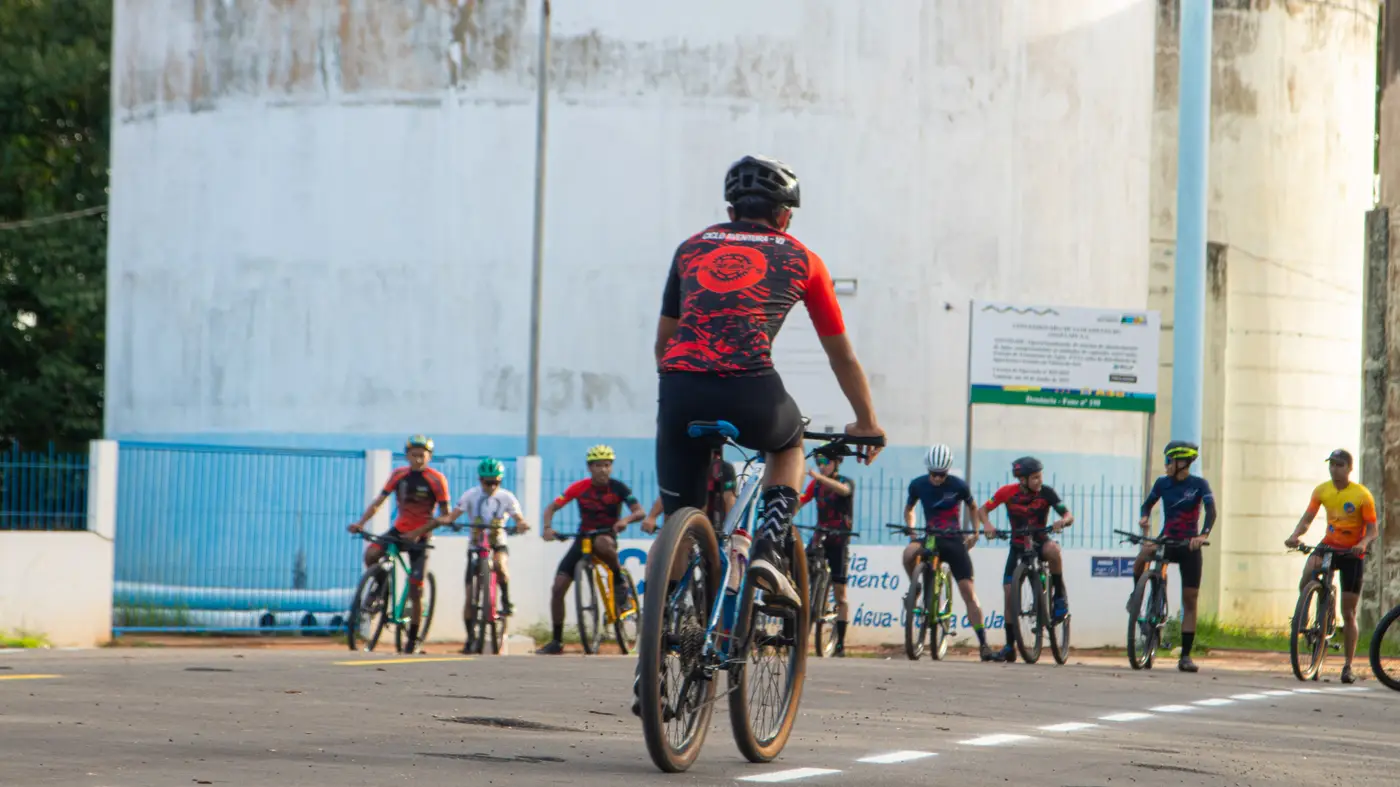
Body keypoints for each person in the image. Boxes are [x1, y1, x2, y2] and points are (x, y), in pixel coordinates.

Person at [652, 154, 885, 614]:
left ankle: (663, 633)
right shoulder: (804, 259)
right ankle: (769, 548)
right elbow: (841, 355)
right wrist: (866, 422)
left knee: (677, 521)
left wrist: (683, 392)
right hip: (751, 389)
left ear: (731, 211)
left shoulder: (690, 249)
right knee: (789, 442)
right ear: (783, 216)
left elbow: (664, 343)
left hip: (679, 390)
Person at [537, 444, 646, 655]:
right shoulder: (580, 487)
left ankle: (619, 580)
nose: (603, 470)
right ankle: (556, 641)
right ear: (590, 467)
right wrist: (548, 528)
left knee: (602, 544)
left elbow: (639, 512)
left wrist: (625, 520)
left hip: (606, 536)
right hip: (583, 538)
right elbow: (551, 507)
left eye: (607, 465)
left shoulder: (619, 488)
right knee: (558, 588)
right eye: (598, 465)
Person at [347, 434, 450, 654]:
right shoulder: (399, 475)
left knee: (416, 588)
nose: (418, 460)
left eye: (422, 456)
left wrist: (419, 533)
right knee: (371, 554)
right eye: (414, 455)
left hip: (421, 536)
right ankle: (379, 590)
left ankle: (413, 639)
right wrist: (360, 523)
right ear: (407, 455)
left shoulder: (436, 480)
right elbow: (379, 501)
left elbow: (445, 516)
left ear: (429, 457)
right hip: (399, 530)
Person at [1284, 449, 1377, 684]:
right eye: (1331, 465)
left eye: (1339, 465)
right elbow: (1307, 518)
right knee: (1309, 570)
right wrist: (1295, 535)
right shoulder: (1322, 490)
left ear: (1349, 468)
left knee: (1349, 612)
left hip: (1352, 552)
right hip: (1329, 544)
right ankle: (1304, 614)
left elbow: (1372, 530)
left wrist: (1362, 544)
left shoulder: (1362, 495)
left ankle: (1348, 666)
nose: (1334, 469)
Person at [901, 443, 999, 661]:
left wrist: (975, 533)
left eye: (942, 474)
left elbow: (973, 507)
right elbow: (909, 509)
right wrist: (912, 532)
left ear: (947, 471)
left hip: (953, 539)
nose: (937, 478)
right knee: (908, 554)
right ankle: (916, 588)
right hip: (930, 537)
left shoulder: (958, 485)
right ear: (928, 470)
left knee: (968, 592)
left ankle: (984, 643)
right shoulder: (917, 485)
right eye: (933, 474)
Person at [423, 458, 530, 654]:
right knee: (469, 595)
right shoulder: (471, 495)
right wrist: (447, 521)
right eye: (487, 482)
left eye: (495, 482)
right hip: (476, 546)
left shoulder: (507, 497)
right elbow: (454, 514)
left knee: (500, 565)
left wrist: (521, 524)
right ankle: (470, 638)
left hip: (497, 543)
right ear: (480, 480)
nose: (491, 487)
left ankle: (506, 600)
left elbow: (518, 517)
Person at [980, 456, 1074, 663]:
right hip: (1018, 547)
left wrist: (1063, 521)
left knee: (1054, 551)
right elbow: (983, 510)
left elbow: (1068, 514)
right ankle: (1009, 646)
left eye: (1040, 476)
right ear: (1022, 480)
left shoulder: (1047, 493)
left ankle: (1059, 597)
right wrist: (987, 525)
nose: (1040, 481)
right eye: (1035, 477)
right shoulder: (1007, 492)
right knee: (1008, 594)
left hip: (1040, 542)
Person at [1135, 440, 1215, 673]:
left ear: (1182, 462)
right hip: (1168, 540)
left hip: (1189, 545)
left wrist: (1202, 535)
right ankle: (1137, 598)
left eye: (1169, 461)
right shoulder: (1162, 483)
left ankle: (1186, 656)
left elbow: (1211, 511)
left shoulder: (1199, 485)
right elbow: (1147, 505)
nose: (1166, 465)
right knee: (1143, 554)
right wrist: (1144, 517)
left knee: (1190, 599)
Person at [797, 452, 855, 656]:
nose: (821, 466)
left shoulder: (845, 481)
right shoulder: (816, 485)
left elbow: (843, 491)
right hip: (820, 536)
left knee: (841, 594)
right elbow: (802, 500)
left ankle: (840, 644)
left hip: (839, 540)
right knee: (799, 568)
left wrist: (820, 477)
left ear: (836, 463)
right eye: (818, 462)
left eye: (825, 462)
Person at [641, 460, 737, 534]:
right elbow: (668, 495)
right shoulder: (683, 467)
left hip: (710, 528)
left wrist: (730, 528)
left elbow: (729, 499)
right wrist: (651, 517)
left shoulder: (723, 468)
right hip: (683, 525)